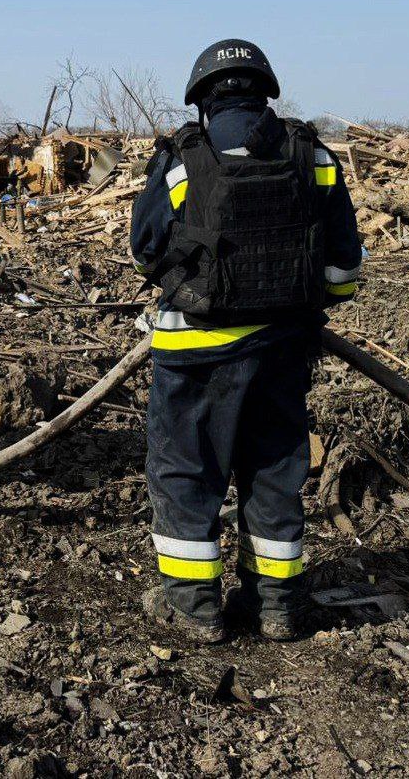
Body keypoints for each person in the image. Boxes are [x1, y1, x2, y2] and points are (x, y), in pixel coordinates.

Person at [130, 39, 362, 642]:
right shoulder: (311, 155)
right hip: (285, 352)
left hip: (194, 354)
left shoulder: (182, 157)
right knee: (274, 470)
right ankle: (278, 605)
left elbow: (146, 248)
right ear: (265, 91)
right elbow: (343, 267)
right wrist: (301, 314)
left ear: (204, 98)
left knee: (187, 470)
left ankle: (194, 607)